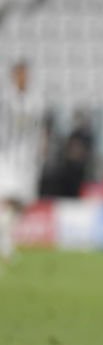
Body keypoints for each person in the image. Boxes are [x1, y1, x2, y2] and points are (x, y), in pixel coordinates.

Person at [0, 60, 46, 261]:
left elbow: (39, 127)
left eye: (25, 74)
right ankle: (4, 243)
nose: (23, 77)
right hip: (7, 156)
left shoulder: (36, 100)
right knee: (7, 199)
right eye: (19, 74)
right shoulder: (5, 98)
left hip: (28, 161)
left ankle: (5, 239)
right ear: (13, 75)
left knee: (21, 204)